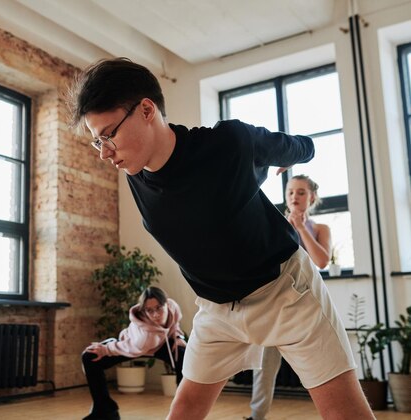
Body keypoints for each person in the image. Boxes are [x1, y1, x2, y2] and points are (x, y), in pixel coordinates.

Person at [68, 57, 374, 419]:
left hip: (286, 293)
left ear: (146, 110)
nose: (104, 153)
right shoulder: (135, 172)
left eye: (108, 135)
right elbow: (213, 203)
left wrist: (286, 155)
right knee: (183, 412)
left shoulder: (228, 142)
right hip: (216, 311)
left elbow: (299, 147)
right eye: (96, 142)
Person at [247, 174, 331, 420]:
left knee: (322, 364)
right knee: (264, 365)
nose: (295, 196)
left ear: (312, 197)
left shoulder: (320, 228)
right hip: (274, 305)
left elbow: (322, 261)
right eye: (291, 192)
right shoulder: (275, 223)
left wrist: (302, 227)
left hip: (309, 306)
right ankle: (257, 416)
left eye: (301, 192)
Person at [82, 286, 186, 420]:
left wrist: (178, 337)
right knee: (89, 356)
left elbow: (174, 323)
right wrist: (105, 349)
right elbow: (129, 346)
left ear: (167, 303)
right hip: (133, 344)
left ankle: (183, 409)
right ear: (144, 311)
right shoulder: (143, 339)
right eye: (149, 311)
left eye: (159, 308)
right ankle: (105, 410)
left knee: (184, 354)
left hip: (160, 342)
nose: (155, 314)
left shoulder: (173, 306)